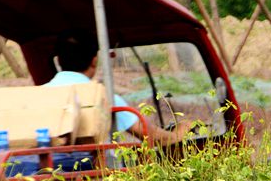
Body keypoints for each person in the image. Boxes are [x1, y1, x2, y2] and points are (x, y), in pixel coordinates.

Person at [46, 31, 193, 145]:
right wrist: (180, 132)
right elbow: (156, 138)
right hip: (98, 180)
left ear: (58, 60)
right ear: (94, 60)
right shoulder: (104, 97)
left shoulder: (39, 96)